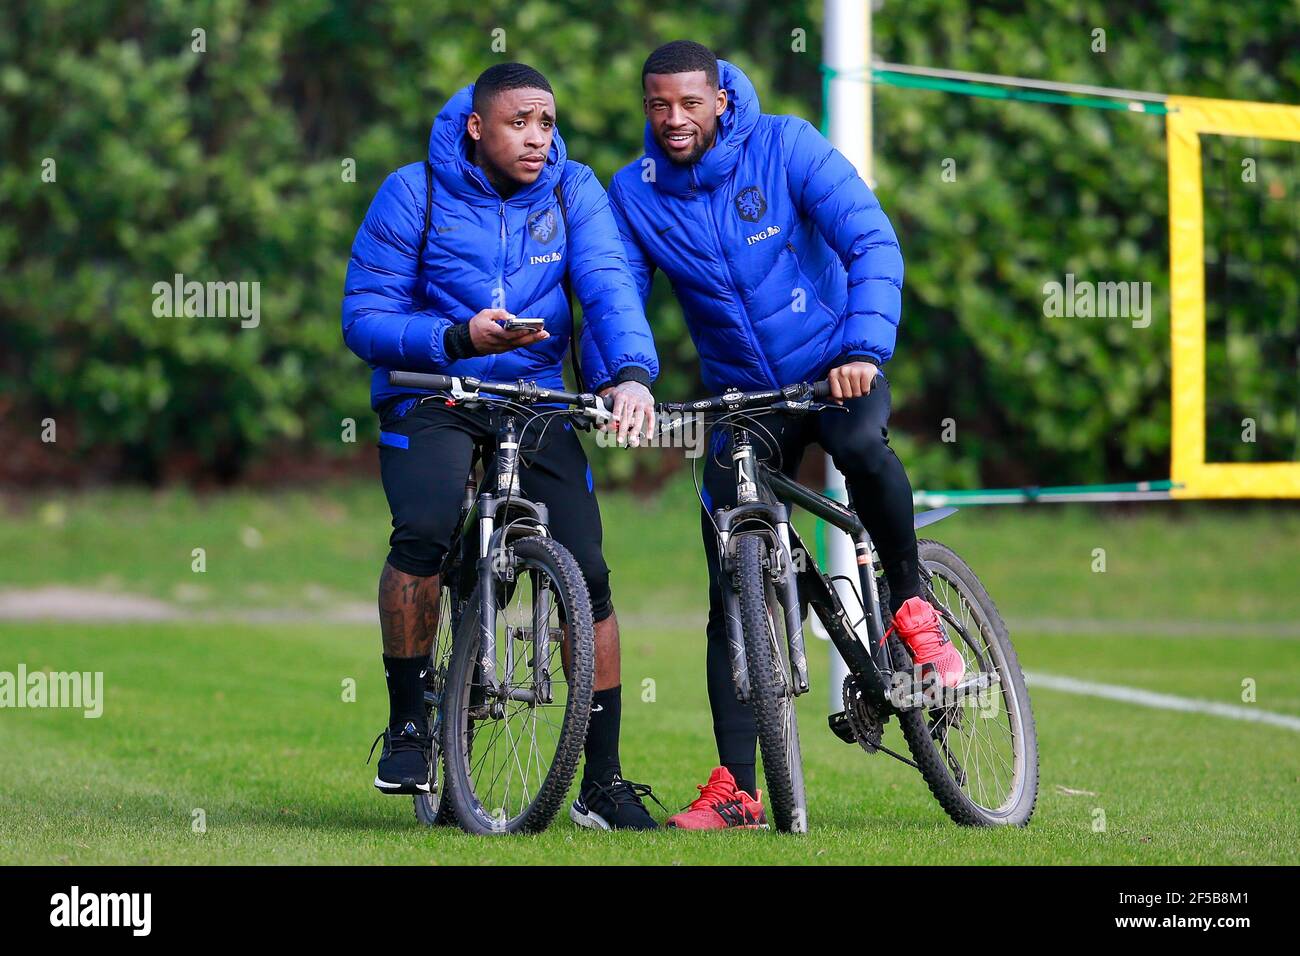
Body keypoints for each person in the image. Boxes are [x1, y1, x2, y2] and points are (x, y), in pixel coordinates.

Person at [607, 41, 965, 830]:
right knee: (730, 588)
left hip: (835, 364)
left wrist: (863, 351)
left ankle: (910, 603)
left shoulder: (786, 145)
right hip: (742, 395)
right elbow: (618, 295)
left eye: (689, 103)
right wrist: (627, 375)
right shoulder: (632, 194)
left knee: (863, 448)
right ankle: (737, 787)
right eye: (657, 104)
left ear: (721, 101)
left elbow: (872, 241)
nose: (673, 119)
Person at [342, 62, 661, 830]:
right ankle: (412, 723)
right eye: (519, 122)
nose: (536, 138)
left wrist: (629, 375)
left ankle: (604, 780)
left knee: (588, 572)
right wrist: (455, 337)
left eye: (547, 123)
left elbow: (609, 283)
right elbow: (364, 316)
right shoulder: (411, 192)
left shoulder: (572, 189)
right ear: (477, 128)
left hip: (532, 394)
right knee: (421, 532)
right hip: (432, 390)